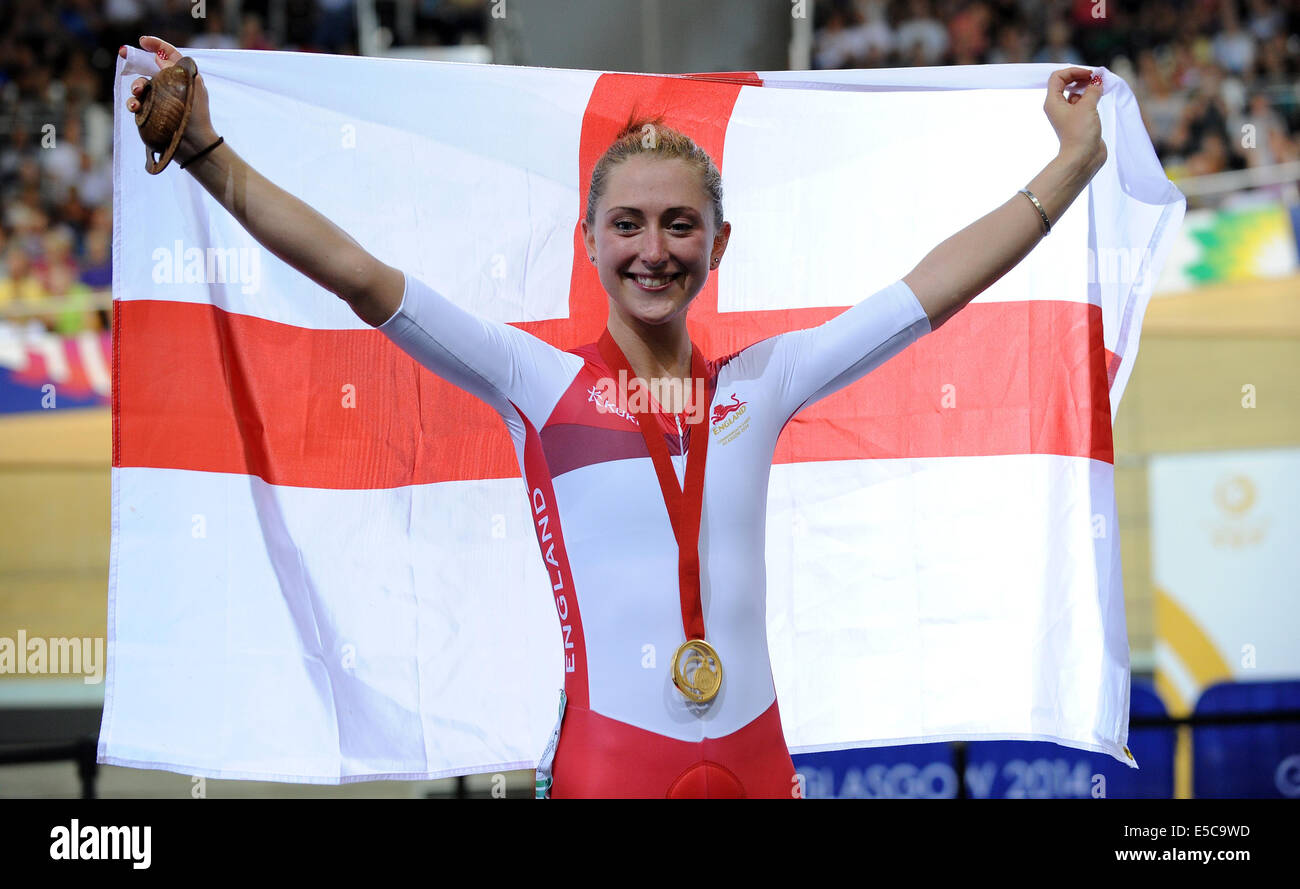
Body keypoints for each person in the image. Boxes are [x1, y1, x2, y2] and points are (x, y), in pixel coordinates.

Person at [120, 36, 1107, 798]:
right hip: (611, 766)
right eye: (627, 224)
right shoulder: (534, 380)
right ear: (589, 240)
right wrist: (207, 152)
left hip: (762, 761)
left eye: (680, 224)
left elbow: (933, 285)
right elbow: (355, 274)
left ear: (719, 243)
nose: (654, 248)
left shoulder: (766, 379)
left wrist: (1071, 162)